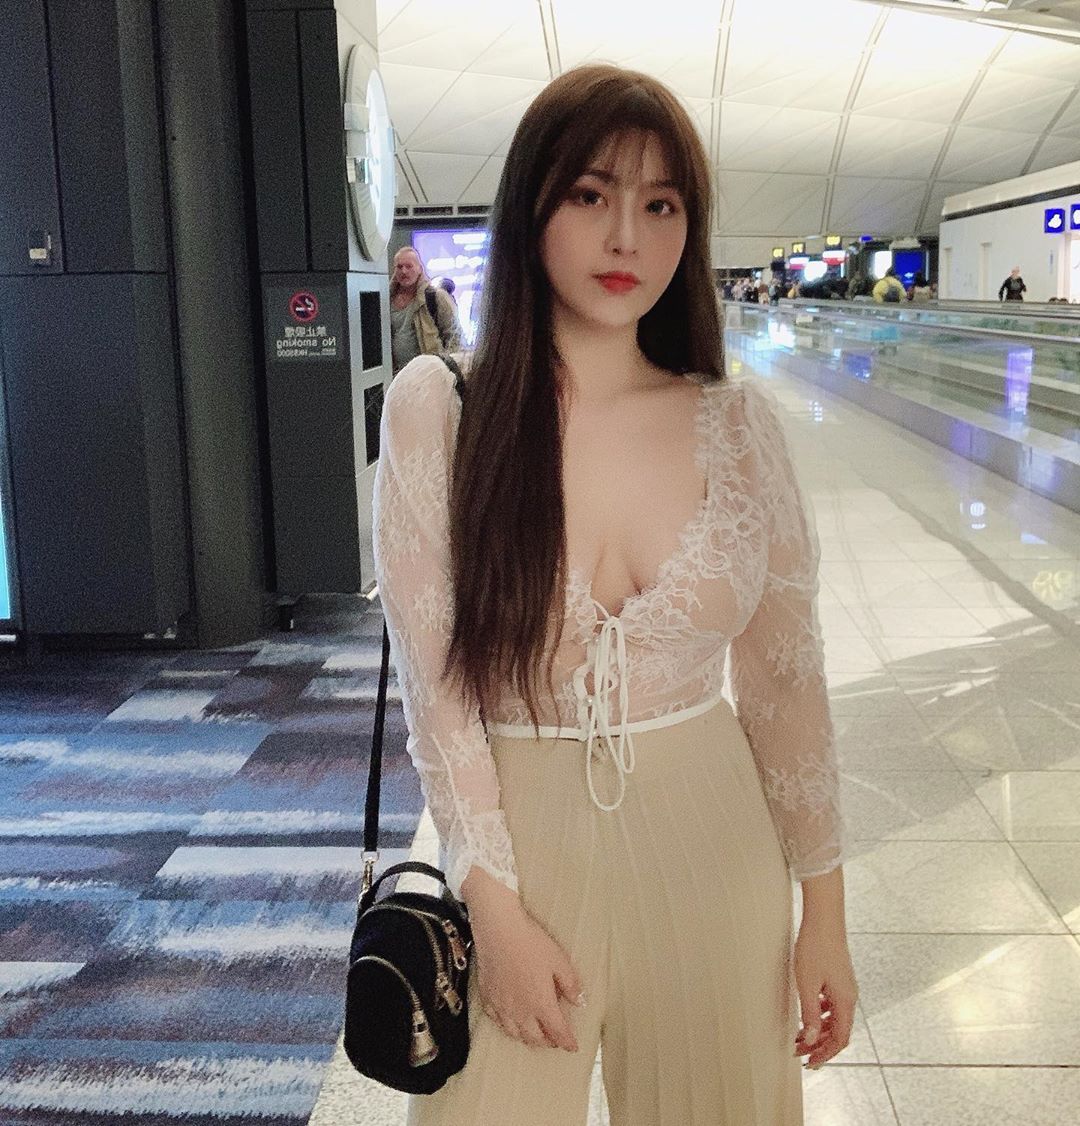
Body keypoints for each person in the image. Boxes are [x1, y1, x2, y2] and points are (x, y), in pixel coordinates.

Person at [373, 63, 855, 1126]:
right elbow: (437, 687)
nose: (627, 235)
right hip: (520, 845)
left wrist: (824, 907)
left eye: (661, 205)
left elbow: (785, 684)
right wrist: (489, 901)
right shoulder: (442, 411)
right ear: (532, 207)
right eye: (591, 195)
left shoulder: (738, 427)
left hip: (715, 837)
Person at [390, 246, 462, 373]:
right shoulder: (386, 300)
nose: (404, 271)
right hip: (397, 376)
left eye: (409, 266)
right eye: (399, 267)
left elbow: (454, 335)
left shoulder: (436, 297)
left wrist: (446, 368)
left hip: (429, 374)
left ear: (420, 269)